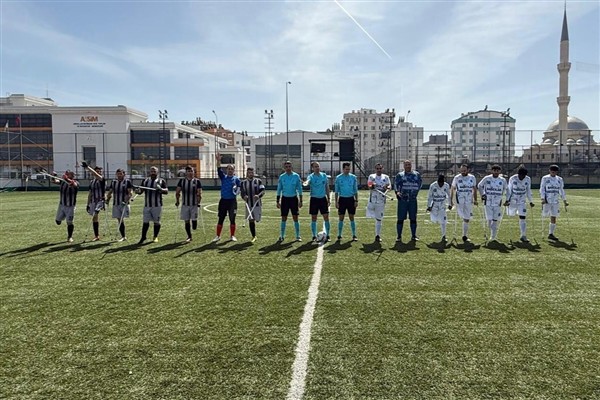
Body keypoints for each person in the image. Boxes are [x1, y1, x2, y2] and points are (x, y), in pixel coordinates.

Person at [213, 154, 241, 242]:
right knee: (221, 218)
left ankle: (232, 236)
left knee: (232, 219)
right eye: (229, 169)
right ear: (227, 170)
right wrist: (218, 161)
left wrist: (237, 190)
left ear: (234, 170)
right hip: (223, 201)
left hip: (232, 201)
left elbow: (239, 189)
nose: (230, 170)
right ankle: (218, 236)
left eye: (232, 169)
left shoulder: (236, 179)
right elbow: (218, 169)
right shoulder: (223, 177)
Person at [136, 166, 168, 244]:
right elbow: (141, 191)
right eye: (151, 171)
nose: (153, 173)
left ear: (157, 172)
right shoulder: (145, 180)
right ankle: (143, 237)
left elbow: (166, 191)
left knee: (156, 222)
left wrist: (160, 189)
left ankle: (155, 236)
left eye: (154, 171)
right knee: (145, 222)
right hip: (147, 205)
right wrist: (138, 191)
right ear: (149, 172)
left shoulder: (161, 181)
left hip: (157, 205)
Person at [394, 160, 422, 242]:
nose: (408, 166)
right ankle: (399, 236)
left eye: (409, 164)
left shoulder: (416, 174)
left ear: (411, 165)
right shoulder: (400, 175)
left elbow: (420, 184)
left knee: (413, 218)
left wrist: (415, 192)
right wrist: (397, 192)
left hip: (413, 200)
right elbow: (396, 185)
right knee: (400, 219)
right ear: (403, 166)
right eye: (406, 165)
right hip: (403, 200)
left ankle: (413, 235)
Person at [477, 164, 507, 242]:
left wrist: (506, 200)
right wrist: (483, 194)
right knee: (489, 220)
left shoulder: (502, 180)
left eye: (498, 171)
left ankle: (493, 236)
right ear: (492, 171)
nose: (496, 172)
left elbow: (507, 189)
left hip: (498, 202)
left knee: (495, 220)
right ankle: (491, 232)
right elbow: (480, 186)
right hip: (488, 202)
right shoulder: (487, 178)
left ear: (500, 171)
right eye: (494, 170)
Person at [450, 164, 478, 243]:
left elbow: (474, 189)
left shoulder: (472, 177)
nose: (462, 172)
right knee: (462, 216)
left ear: (468, 170)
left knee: (466, 219)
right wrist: (451, 201)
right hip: (459, 201)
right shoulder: (457, 177)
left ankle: (464, 236)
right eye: (461, 171)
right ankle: (460, 233)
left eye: (464, 170)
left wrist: (475, 199)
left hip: (469, 200)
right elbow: (452, 189)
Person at [505, 167, 535, 242]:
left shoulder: (528, 179)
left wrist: (531, 201)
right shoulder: (512, 178)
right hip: (513, 200)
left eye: (524, 176)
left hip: (522, 201)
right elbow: (509, 189)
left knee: (522, 217)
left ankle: (523, 235)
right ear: (518, 174)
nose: (522, 177)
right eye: (521, 175)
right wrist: (507, 200)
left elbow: (528, 190)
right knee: (511, 214)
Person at [276, 161, 303, 241]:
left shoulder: (296, 176)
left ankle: (298, 236)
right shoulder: (282, 177)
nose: (288, 168)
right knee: (284, 218)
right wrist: (277, 201)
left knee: (295, 217)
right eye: (286, 167)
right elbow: (279, 189)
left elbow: (300, 189)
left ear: (291, 167)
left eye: (289, 166)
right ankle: (282, 236)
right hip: (285, 199)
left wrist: (301, 200)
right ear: (284, 168)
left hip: (294, 199)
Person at [540, 164, 568, 241]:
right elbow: (542, 188)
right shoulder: (545, 178)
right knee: (544, 215)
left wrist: (564, 200)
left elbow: (561, 190)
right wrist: (542, 198)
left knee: (553, 216)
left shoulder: (559, 179)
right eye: (552, 171)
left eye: (555, 172)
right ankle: (542, 231)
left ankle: (551, 234)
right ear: (549, 171)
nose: (553, 173)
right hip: (547, 200)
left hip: (555, 200)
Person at [304, 161, 331, 242]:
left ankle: (328, 235)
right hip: (314, 199)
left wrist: (328, 198)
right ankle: (314, 235)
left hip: (323, 199)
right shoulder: (311, 176)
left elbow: (327, 187)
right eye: (315, 166)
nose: (317, 168)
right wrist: (306, 183)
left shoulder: (324, 175)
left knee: (326, 217)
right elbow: (308, 181)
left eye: (318, 166)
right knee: (314, 218)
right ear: (312, 168)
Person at [175, 166, 202, 243]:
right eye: (188, 171)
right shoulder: (182, 181)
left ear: (194, 172)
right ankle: (189, 236)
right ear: (186, 173)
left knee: (194, 223)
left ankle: (194, 223)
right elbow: (177, 192)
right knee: (186, 221)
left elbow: (199, 192)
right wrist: (177, 200)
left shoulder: (197, 181)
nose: (190, 172)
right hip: (185, 204)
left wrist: (199, 201)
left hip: (194, 205)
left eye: (191, 171)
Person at [51, 170, 79, 243]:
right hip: (62, 205)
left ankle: (70, 237)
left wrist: (66, 179)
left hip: (71, 206)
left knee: (70, 222)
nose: (72, 176)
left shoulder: (76, 182)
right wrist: (53, 176)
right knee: (58, 221)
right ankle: (60, 219)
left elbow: (73, 184)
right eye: (70, 174)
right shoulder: (62, 182)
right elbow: (54, 181)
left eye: (72, 175)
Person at [106, 168, 133, 242]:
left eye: (120, 174)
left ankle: (123, 236)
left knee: (122, 218)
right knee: (119, 219)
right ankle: (123, 236)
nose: (119, 175)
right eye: (118, 174)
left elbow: (130, 192)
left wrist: (127, 199)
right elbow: (110, 191)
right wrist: (107, 199)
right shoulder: (114, 182)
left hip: (124, 203)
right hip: (116, 203)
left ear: (124, 174)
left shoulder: (127, 182)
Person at [366, 163, 391, 242]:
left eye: (380, 168)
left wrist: (386, 188)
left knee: (379, 219)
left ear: (382, 169)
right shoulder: (371, 176)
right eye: (377, 169)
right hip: (372, 200)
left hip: (381, 200)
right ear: (375, 169)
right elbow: (369, 186)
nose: (379, 170)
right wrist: (372, 186)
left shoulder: (386, 177)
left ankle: (377, 235)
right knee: (371, 215)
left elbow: (389, 186)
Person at [334, 162, 359, 241]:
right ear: (343, 169)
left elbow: (355, 190)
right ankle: (339, 235)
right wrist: (336, 201)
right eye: (346, 169)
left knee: (352, 217)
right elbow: (336, 191)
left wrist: (356, 200)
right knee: (341, 217)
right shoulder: (338, 178)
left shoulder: (353, 177)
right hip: (342, 199)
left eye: (349, 169)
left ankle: (354, 235)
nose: (347, 170)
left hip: (351, 199)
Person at [240, 167, 265, 242]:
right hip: (248, 204)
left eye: (252, 172)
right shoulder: (243, 183)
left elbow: (263, 191)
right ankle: (254, 236)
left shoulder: (258, 181)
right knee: (251, 220)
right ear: (247, 173)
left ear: (253, 173)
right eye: (249, 172)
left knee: (257, 219)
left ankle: (256, 220)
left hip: (257, 204)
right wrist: (244, 196)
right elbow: (242, 192)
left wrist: (258, 196)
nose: (250, 174)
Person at [83, 162, 105, 241]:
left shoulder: (102, 179)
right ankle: (96, 235)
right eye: (97, 171)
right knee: (94, 218)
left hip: (100, 200)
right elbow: (90, 194)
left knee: (95, 214)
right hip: (93, 201)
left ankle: (97, 236)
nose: (99, 173)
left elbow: (96, 175)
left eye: (100, 171)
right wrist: (87, 204)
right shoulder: (92, 182)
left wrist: (87, 167)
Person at [427, 174, 451, 242]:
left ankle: (444, 235)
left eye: (442, 183)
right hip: (434, 205)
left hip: (442, 204)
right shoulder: (433, 185)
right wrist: (429, 206)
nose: (440, 184)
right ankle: (436, 218)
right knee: (434, 219)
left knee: (443, 221)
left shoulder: (446, 185)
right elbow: (430, 196)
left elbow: (449, 195)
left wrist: (450, 204)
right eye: (439, 183)